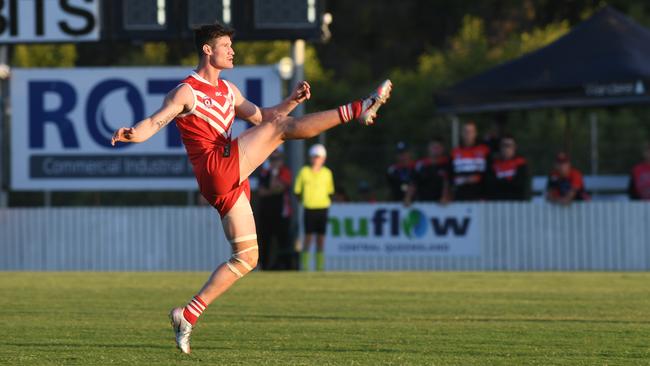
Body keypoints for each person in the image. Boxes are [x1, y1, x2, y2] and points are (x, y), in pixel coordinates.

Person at [110, 23, 392, 354]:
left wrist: (290, 100)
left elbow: (264, 117)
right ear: (207, 50)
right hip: (216, 166)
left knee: (246, 257)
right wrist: (133, 134)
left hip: (227, 177)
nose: (232, 50)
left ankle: (186, 315)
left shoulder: (229, 90)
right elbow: (156, 121)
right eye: (226, 45)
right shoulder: (186, 91)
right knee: (283, 130)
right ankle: (358, 109)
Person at [294, 144, 334, 272]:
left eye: (318, 157)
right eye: (314, 157)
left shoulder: (327, 173)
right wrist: (305, 202)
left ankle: (319, 267)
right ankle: (305, 267)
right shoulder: (304, 172)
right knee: (308, 238)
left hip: (322, 208)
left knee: (321, 239)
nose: (316, 159)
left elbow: (330, 191)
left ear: (323, 158)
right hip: (309, 208)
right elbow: (297, 191)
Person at [255, 149, 293, 270]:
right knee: (265, 241)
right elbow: (261, 192)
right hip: (266, 213)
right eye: (272, 159)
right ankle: (264, 266)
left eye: (277, 159)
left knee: (283, 241)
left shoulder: (285, 171)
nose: (275, 162)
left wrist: (275, 174)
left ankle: (286, 266)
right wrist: (272, 183)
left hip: (282, 213)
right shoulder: (265, 172)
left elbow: (279, 188)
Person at [450, 121, 491, 201]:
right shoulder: (455, 152)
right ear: (461, 133)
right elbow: (449, 175)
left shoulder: (484, 150)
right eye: (466, 131)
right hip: (460, 196)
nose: (468, 134)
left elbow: (489, 174)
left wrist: (486, 195)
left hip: (479, 197)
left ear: (475, 133)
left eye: (471, 131)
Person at [404, 137, 450, 206]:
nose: (435, 150)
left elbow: (447, 183)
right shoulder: (420, 165)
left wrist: (445, 197)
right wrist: (408, 198)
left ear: (442, 149)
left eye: (438, 147)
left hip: (441, 205)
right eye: (433, 147)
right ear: (429, 148)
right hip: (423, 203)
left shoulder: (447, 163)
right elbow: (413, 183)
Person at [486, 135, 530, 201]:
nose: (506, 148)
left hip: (516, 202)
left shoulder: (520, 162)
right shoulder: (494, 164)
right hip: (497, 202)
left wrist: (501, 183)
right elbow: (491, 185)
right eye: (503, 145)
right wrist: (509, 183)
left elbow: (520, 184)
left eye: (509, 145)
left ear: (515, 147)